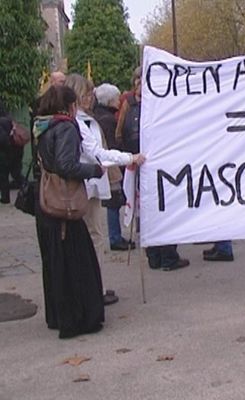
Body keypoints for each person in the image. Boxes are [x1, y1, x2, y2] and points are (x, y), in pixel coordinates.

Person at [65, 74, 145, 304]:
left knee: (94, 236)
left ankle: (93, 286)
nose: (91, 98)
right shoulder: (80, 123)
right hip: (87, 188)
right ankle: (94, 289)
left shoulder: (82, 120)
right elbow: (97, 153)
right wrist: (129, 157)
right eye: (87, 94)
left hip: (89, 187)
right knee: (94, 237)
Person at [33, 85, 105, 338]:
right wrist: (93, 171)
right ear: (69, 106)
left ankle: (59, 314)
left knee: (55, 261)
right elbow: (66, 165)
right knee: (75, 260)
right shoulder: (65, 127)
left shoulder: (43, 126)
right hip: (64, 203)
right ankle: (79, 317)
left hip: (47, 200)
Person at [116, 68, 190, 271]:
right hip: (153, 165)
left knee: (149, 210)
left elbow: (119, 134)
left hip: (141, 164)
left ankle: (155, 256)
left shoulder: (129, 105)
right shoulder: (157, 106)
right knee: (161, 209)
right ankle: (166, 256)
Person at [94, 83, 134, 251]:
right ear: (110, 100)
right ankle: (115, 237)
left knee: (114, 201)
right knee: (114, 201)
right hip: (111, 165)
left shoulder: (100, 116)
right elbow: (112, 144)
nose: (119, 101)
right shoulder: (108, 120)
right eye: (117, 98)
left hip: (108, 163)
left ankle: (116, 236)